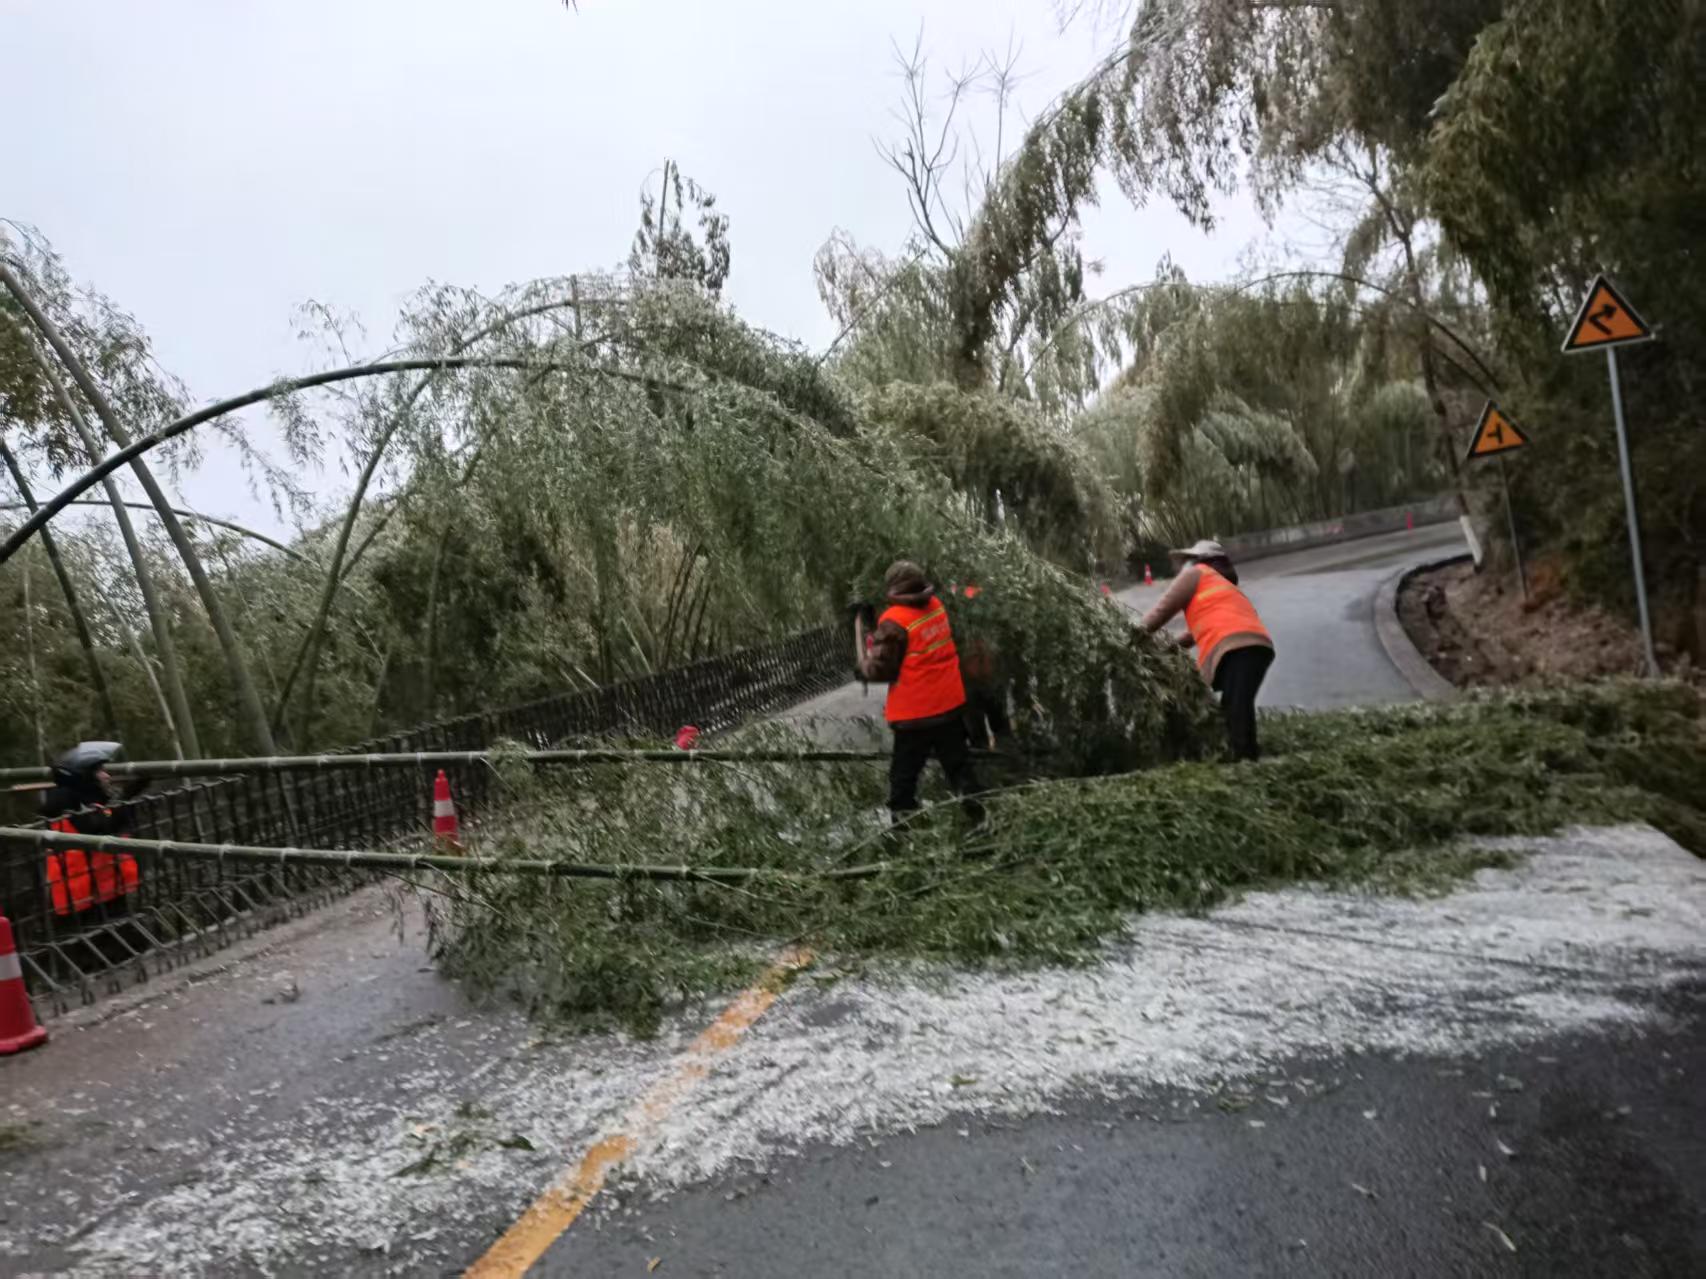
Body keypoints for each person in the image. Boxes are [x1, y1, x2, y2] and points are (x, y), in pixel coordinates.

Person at [858, 561, 985, 825]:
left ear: (892, 587)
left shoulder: (894, 621)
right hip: (949, 707)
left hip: (915, 715)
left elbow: (881, 669)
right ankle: (981, 819)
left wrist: (862, 665)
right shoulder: (936, 606)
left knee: (903, 779)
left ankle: (904, 830)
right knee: (960, 770)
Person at [1140, 540, 1275, 761]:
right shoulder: (1224, 586)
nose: (1181, 566)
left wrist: (1131, 636)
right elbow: (1196, 632)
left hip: (1236, 647)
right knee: (1234, 706)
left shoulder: (1195, 573)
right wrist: (1166, 649)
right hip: (1257, 646)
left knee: (1236, 709)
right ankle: (1245, 758)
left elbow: (1161, 612)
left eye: (1186, 560)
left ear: (1198, 560)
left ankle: (1245, 761)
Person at [38, 741, 146, 918]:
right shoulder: (66, 801)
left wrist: (131, 792)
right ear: (85, 775)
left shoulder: (88, 798)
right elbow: (99, 829)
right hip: (81, 897)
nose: (106, 776)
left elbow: (109, 819)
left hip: (103, 888)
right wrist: (127, 795)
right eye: (99, 771)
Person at [954, 583, 1013, 750]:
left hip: (990, 674)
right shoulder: (958, 613)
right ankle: (983, 751)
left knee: (997, 717)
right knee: (975, 721)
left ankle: (1003, 751)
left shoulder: (994, 610)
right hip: (970, 676)